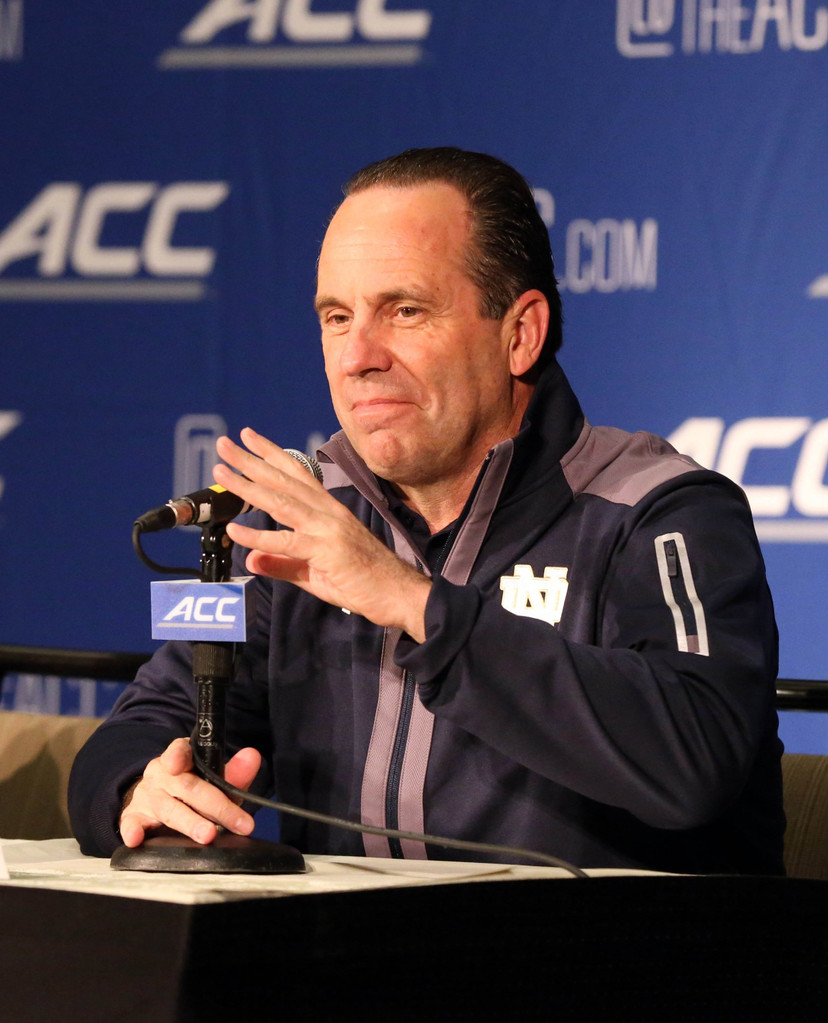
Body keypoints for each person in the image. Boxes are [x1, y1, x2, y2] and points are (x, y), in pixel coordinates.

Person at [69, 147, 784, 874]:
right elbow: (144, 726)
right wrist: (139, 788)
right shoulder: (311, 529)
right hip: (348, 970)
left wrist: (414, 603)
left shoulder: (657, 510)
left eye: (405, 310)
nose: (357, 356)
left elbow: (698, 758)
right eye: (337, 316)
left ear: (520, 334)